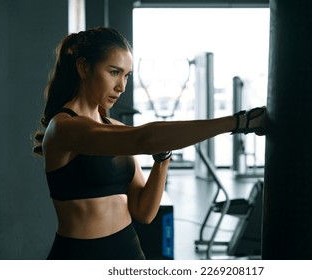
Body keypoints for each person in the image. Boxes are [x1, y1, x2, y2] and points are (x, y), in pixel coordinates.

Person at [33, 27, 267, 260]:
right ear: (84, 67)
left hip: (129, 250)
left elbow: (143, 212)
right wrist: (239, 122)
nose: (122, 86)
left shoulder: (116, 128)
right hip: (81, 256)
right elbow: (144, 138)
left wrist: (162, 160)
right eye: (114, 72)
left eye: (126, 75)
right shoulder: (64, 128)